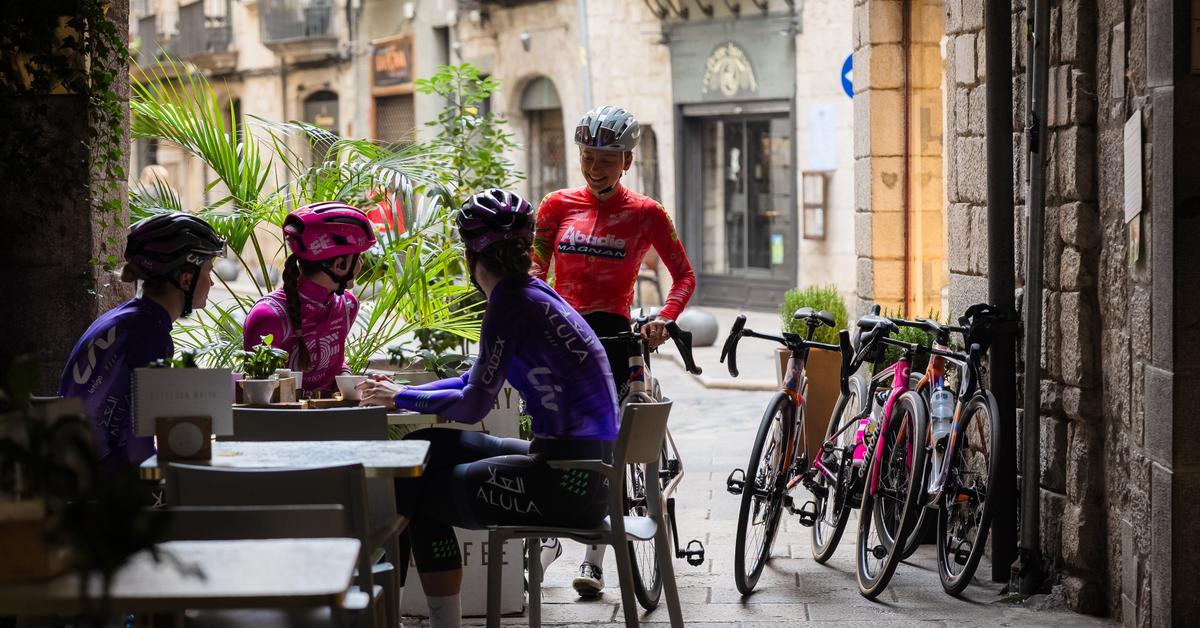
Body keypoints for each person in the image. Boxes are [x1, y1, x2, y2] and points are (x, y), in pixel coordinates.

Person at [357, 189, 619, 628]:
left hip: (567, 484)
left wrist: (399, 398)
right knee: (424, 450)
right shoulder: (531, 294)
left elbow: (473, 403)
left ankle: (396, 616)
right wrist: (398, 388)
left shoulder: (511, 304)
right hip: (582, 472)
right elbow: (471, 380)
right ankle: (387, 612)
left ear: (469, 256)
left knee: (420, 496)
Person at [531, 105, 697, 596]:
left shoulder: (646, 213)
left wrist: (665, 318)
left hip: (617, 338)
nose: (595, 165)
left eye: (607, 157)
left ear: (626, 161)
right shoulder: (556, 206)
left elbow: (684, 275)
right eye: (588, 155)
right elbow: (537, 271)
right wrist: (536, 312)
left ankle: (594, 559)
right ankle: (545, 541)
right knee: (548, 438)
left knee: (608, 447)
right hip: (564, 335)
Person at [59, 212, 226, 470]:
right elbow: (138, 443)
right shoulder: (149, 334)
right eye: (209, 270)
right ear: (186, 279)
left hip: (77, 471)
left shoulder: (128, 319)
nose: (212, 281)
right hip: (104, 488)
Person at [242, 202, 375, 394]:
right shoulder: (268, 316)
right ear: (339, 265)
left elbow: (334, 362)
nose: (361, 263)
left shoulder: (347, 305)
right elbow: (254, 392)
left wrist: (347, 378)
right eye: (358, 256)